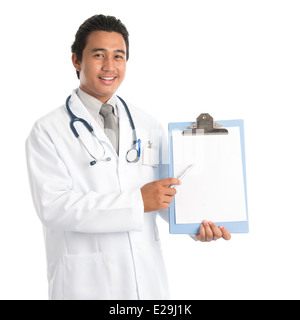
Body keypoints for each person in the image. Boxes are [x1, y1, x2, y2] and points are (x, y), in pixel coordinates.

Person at [25, 14, 231, 300]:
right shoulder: (47, 131)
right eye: (99, 55)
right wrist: (136, 202)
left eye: (118, 56)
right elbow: (54, 206)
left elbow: (165, 195)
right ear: (76, 60)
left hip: (146, 283)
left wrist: (194, 225)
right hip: (85, 283)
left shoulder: (147, 124)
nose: (110, 66)